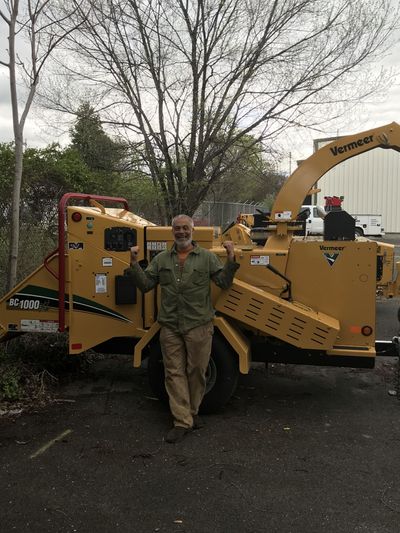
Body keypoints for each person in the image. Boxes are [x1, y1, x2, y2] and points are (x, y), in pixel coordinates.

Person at [125, 214, 239, 443]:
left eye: (185, 228)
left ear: (192, 231)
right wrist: (134, 263)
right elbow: (146, 285)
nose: (181, 232)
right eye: (177, 229)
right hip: (170, 326)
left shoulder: (206, 258)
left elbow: (223, 282)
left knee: (197, 370)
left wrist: (231, 258)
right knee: (173, 373)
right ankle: (181, 421)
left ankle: (192, 413)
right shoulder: (162, 260)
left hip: (199, 324)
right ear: (172, 232)